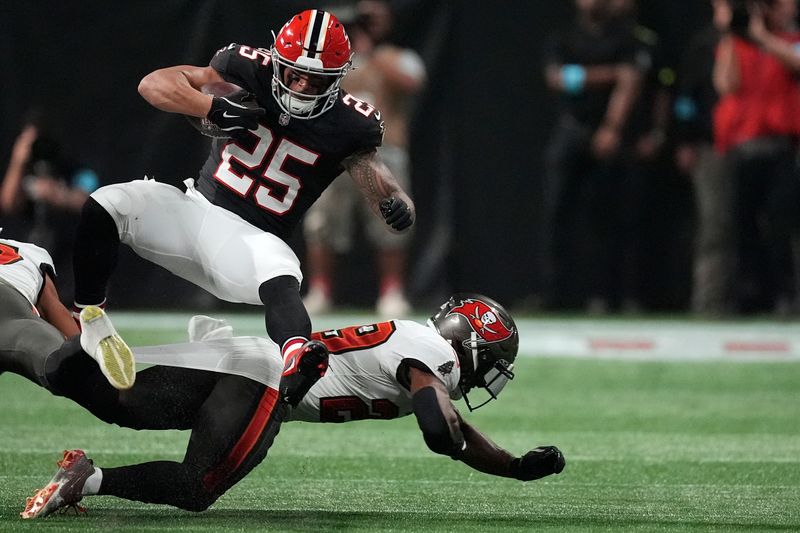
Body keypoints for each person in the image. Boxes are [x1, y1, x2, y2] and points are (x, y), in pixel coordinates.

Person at [69, 9, 416, 404]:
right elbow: (153, 84)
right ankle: (88, 316)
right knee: (108, 202)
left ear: (337, 80)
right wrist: (210, 107)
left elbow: (381, 180)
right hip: (194, 210)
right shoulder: (245, 69)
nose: (301, 85)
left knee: (281, 269)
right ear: (278, 60)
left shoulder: (352, 125)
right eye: (293, 74)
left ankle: (297, 360)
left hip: (250, 244)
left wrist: (398, 204)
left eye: (314, 79)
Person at [18, 293, 565, 517]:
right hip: (264, 384)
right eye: (490, 361)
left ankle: (27, 320)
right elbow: (439, 427)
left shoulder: (419, 344)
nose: (487, 375)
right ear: (470, 347)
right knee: (196, 487)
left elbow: (452, 428)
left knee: (119, 402)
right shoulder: (432, 358)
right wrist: (450, 438)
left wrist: (512, 467)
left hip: (242, 361)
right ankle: (87, 480)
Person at [302, 0, 426, 317]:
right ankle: (320, 290)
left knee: (391, 221)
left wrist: (369, 49)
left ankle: (392, 292)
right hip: (333, 151)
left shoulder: (398, 56)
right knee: (322, 222)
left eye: (376, 16)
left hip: (383, 151)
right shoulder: (335, 59)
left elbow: (412, 82)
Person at [539, 0, 644, 313]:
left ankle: (611, 296)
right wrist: (611, 74)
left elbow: (632, 81)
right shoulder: (563, 37)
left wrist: (611, 128)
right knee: (556, 212)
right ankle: (554, 295)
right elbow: (556, 79)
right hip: (572, 131)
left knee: (609, 215)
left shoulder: (625, 37)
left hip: (608, 134)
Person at [713, 0, 800, 314]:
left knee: (780, 224)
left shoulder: (790, 41)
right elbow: (725, 85)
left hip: (781, 148)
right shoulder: (737, 45)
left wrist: (763, 37)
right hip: (744, 148)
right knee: (742, 227)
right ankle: (749, 296)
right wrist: (729, 35)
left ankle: (786, 295)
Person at [0, 234, 135, 392]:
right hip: (10, 303)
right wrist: (82, 346)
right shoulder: (27, 252)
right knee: (57, 365)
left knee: (59, 367)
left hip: (8, 307)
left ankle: (86, 350)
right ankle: (89, 346)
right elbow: (55, 312)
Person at [673, 0, 735, 316]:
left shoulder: (766, 40)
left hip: (758, 146)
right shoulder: (702, 45)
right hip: (711, 147)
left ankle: (768, 299)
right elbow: (685, 96)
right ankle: (709, 303)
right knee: (714, 225)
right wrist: (685, 140)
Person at [1, 111, 100, 304]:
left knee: (68, 304)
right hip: (31, 247)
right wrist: (18, 161)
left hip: (68, 249)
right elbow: (9, 202)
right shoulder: (21, 168)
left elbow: (89, 200)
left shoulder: (70, 164)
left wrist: (58, 195)